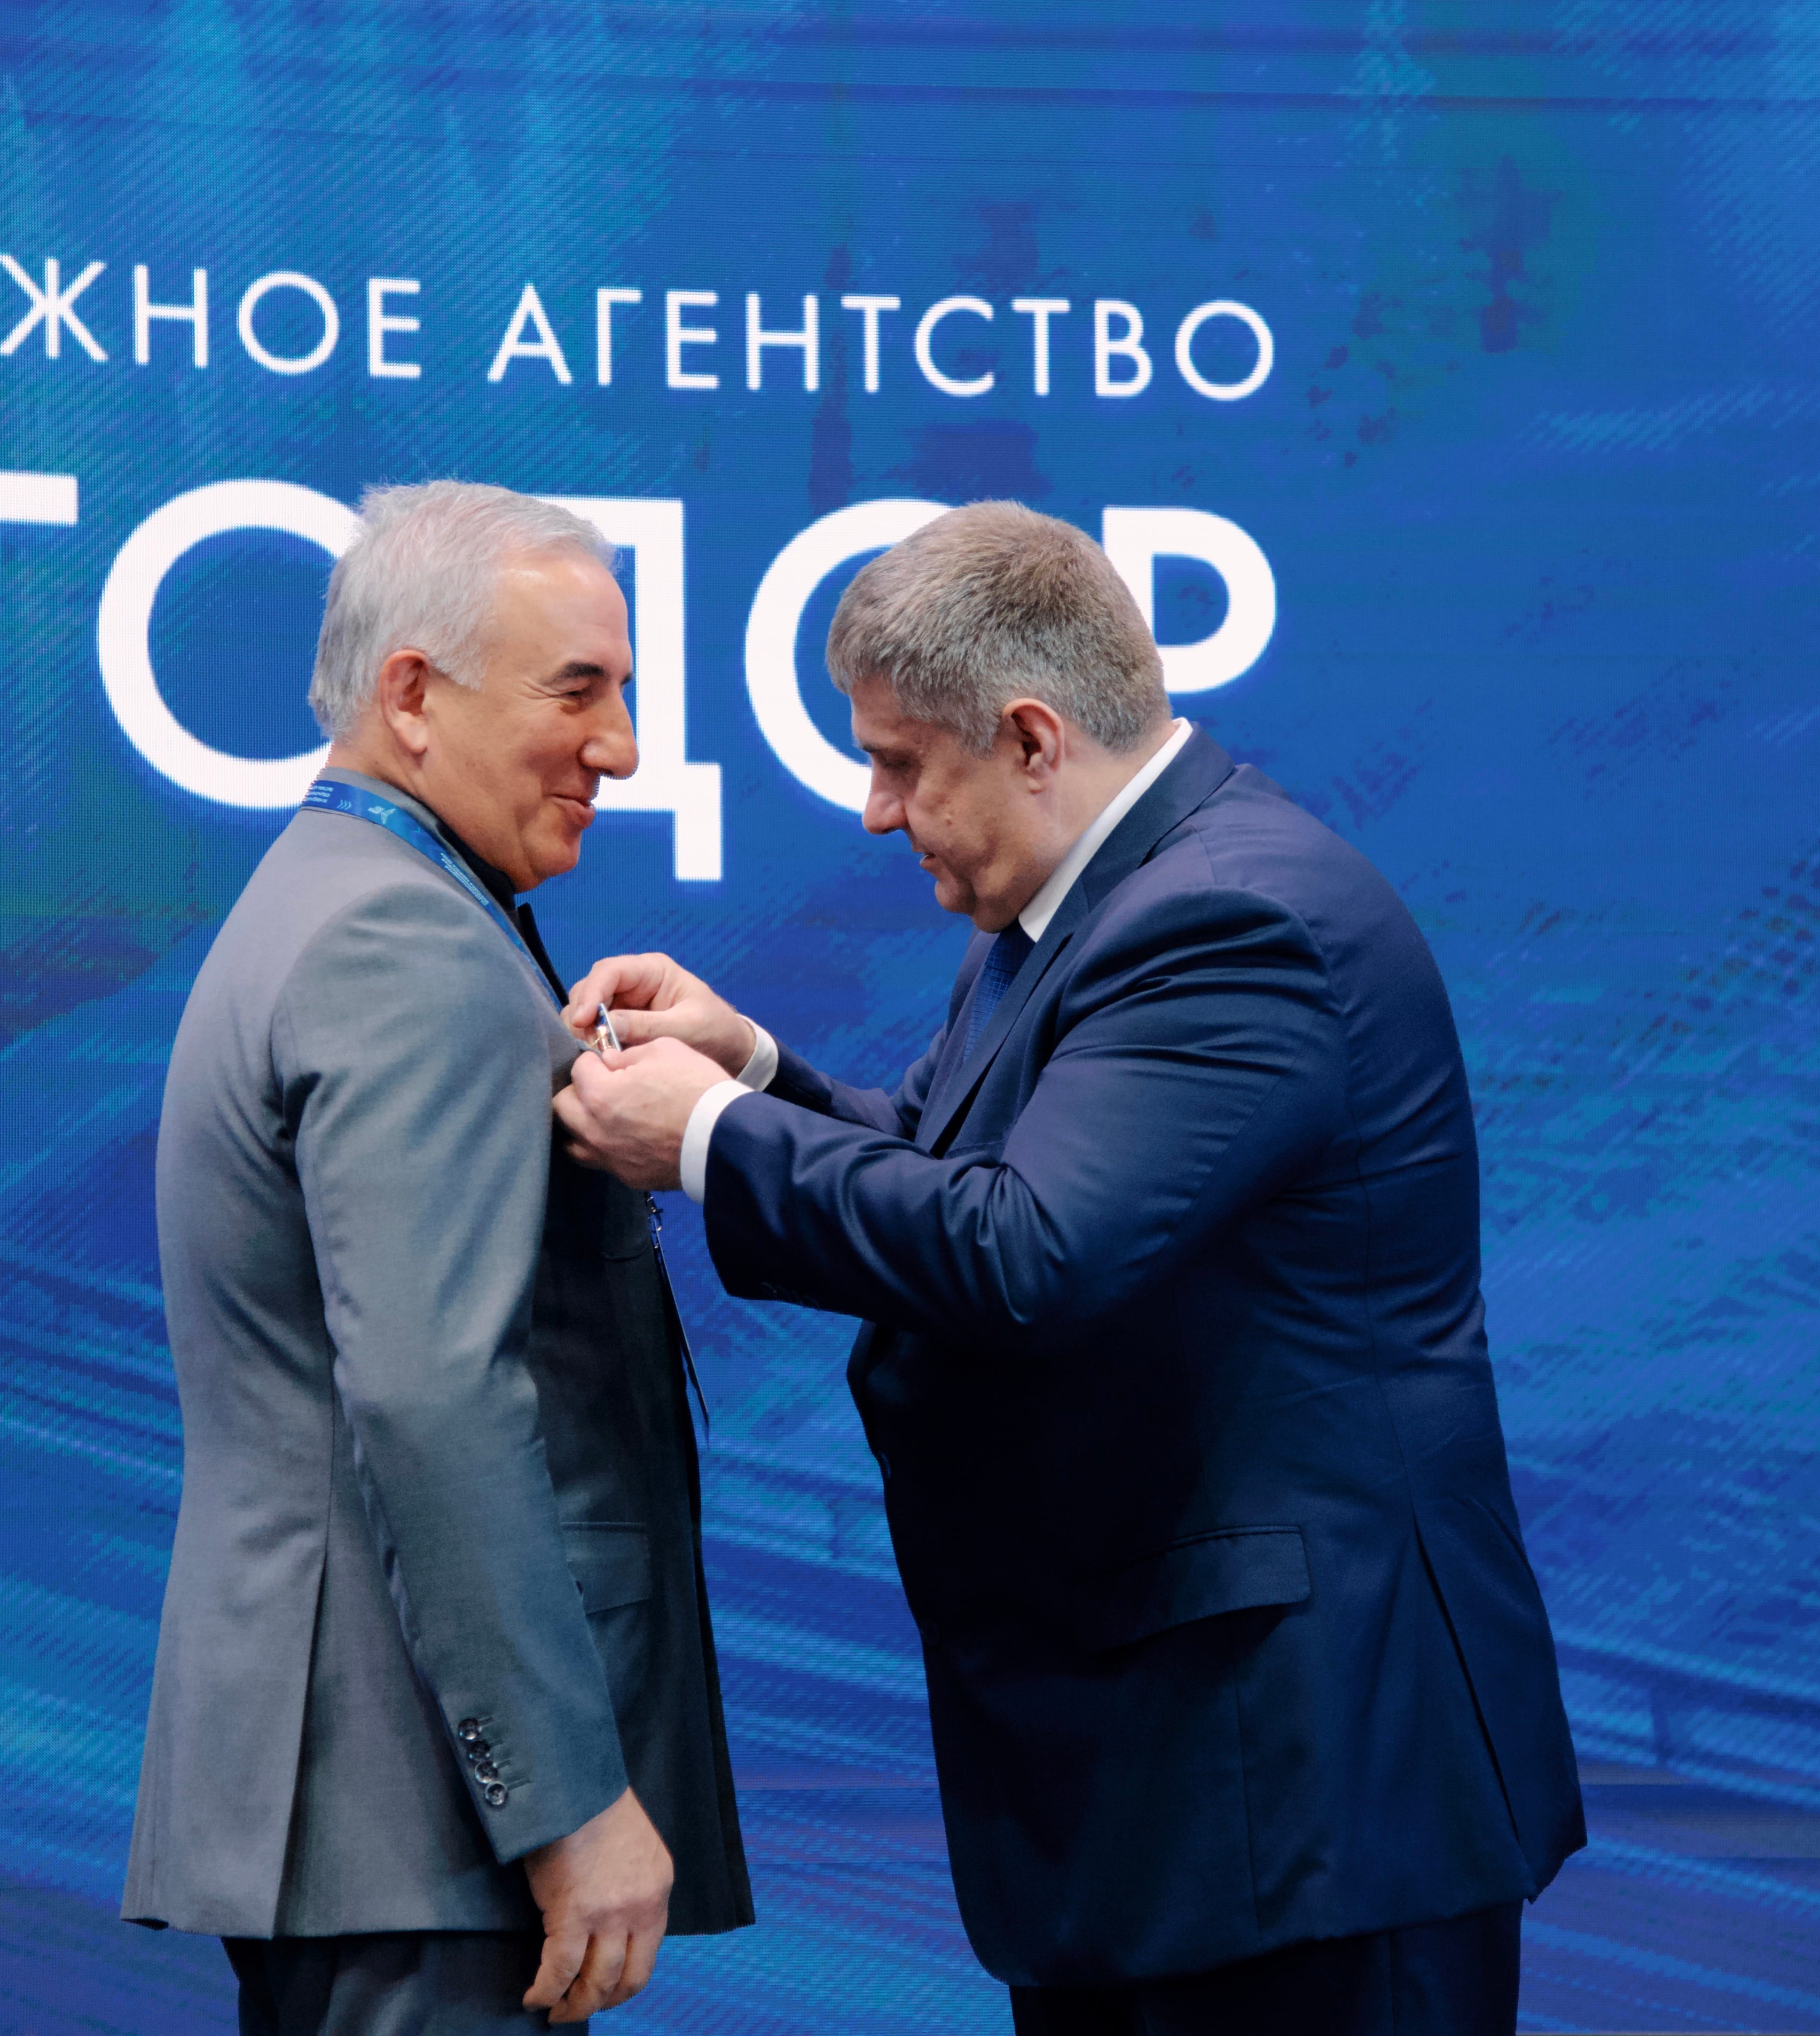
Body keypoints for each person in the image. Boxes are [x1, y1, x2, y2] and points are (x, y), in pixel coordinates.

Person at [553, 500, 1582, 2035]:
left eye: (901, 764)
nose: (875, 812)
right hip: (1192, 1795)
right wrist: (751, 1070)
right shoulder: (1092, 905)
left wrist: (704, 1137)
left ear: (1032, 738)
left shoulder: (1230, 922)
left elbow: (1029, 1248)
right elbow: (957, 1159)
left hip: (1305, 1802)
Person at [123, 481, 749, 2032]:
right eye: (577, 691)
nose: (623, 747)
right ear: (412, 695)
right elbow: (433, 1397)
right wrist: (566, 1799)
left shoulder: (337, 901)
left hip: (376, 1823)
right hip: (426, 1831)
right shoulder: (404, 943)